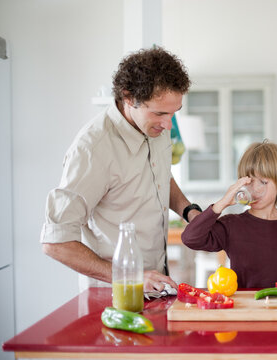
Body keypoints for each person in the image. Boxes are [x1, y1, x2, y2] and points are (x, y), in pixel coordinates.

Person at [40, 47, 202, 292]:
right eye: (159, 113)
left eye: (173, 113)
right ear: (128, 97)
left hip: (157, 286)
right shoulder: (93, 149)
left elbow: (160, 175)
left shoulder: (155, 129)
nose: (168, 124)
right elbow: (56, 241)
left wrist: (188, 211)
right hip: (112, 295)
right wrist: (130, 277)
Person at [181, 140, 277, 288]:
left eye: (263, 182)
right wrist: (221, 204)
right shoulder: (232, 224)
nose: (255, 188)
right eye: (249, 181)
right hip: (244, 306)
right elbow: (190, 238)